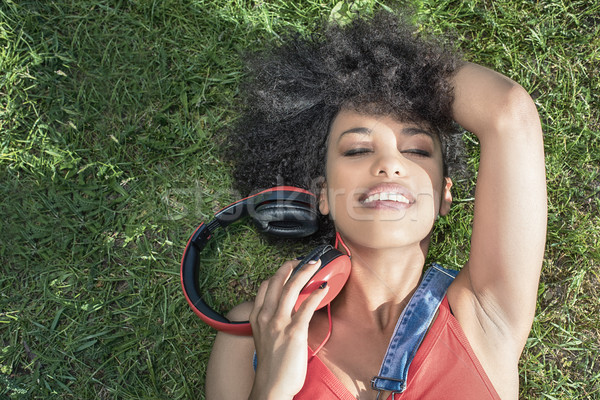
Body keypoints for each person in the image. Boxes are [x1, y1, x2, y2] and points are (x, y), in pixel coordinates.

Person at [205, 10, 546, 400]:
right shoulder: (253, 330)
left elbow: (507, 111)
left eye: (417, 150)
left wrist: (381, 67)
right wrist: (269, 387)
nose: (389, 164)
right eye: (358, 150)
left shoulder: (486, 312)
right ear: (323, 194)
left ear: (444, 195)